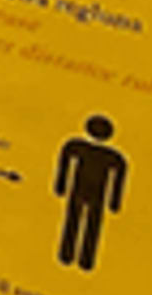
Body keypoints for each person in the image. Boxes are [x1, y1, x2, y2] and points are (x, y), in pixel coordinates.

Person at [54, 115, 127, 271]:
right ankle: (79, 258)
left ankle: (71, 256)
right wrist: (114, 202)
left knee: (78, 221)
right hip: (91, 192)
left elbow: (65, 162)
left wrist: (60, 186)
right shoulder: (112, 156)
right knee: (85, 223)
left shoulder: (77, 146)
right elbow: (119, 177)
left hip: (86, 191)